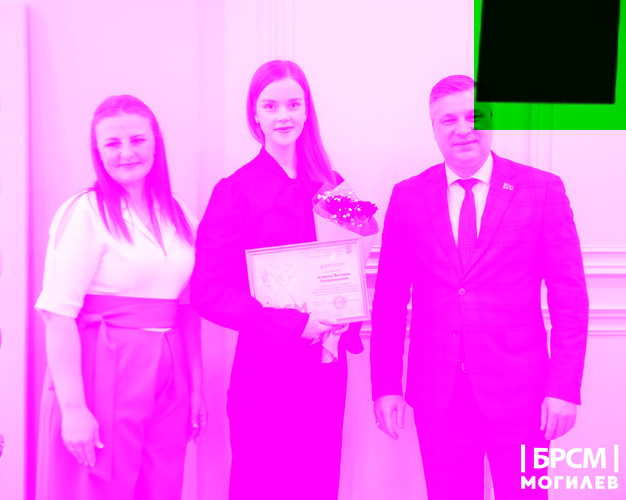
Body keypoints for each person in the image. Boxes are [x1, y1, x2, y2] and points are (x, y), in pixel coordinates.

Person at [370, 75, 588, 499]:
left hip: (522, 395)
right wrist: (386, 385)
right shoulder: (408, 197)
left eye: (473, 116)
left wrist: (564, 388)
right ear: (433, 128)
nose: (463, 129)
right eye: (448, 120)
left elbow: (570, 299)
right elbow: (390, 301)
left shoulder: (542, 190)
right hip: (437, 396)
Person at [190, 60, 363, 500]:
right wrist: (292, 324)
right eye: (271, 106)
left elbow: (349, 268)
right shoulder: (234, 191)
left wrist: (346, 311)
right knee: (262, 486)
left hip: (325, 371)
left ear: (306, 110)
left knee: (319, 485)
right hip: (265, 373)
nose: (283, 115)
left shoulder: (333, 186)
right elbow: (207, 293)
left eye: (293, 104)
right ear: (255, 114)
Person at [35, 95, 207, 500]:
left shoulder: (179, 213)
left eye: (137, 140)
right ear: (97, 151)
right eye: (112, 143)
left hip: (170, 370)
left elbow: (188, 309)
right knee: (98, 486)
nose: (127, 152)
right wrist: (74, 411)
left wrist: (196, 387)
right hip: (104, 365)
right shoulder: (85, 212)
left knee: (161, 485)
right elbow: (57, 315)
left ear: (155, 143)